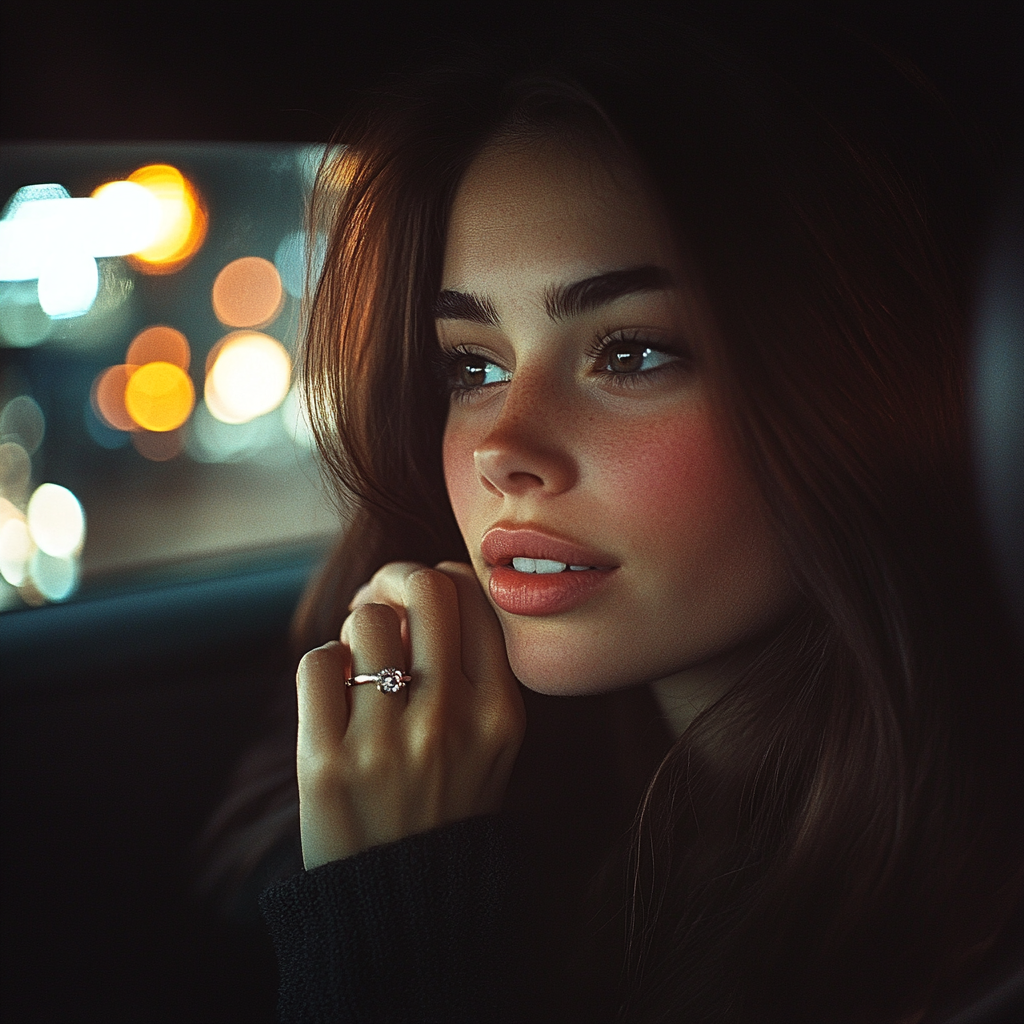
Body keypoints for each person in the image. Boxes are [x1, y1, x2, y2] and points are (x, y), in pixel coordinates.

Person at [202, 16, 1024, 1023]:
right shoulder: (495, 802)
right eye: (472, 364)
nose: (505, 445)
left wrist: (393, 923)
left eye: (629, 353)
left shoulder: (975, 949)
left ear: (856, 382)